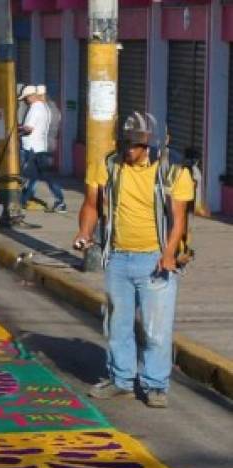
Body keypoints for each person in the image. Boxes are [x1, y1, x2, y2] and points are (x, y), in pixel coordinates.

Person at [74, 111, 194, 409]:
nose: (130, 150)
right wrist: (84, 232)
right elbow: (91, 204)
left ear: (153, 144)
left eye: (138, 145)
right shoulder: (107, 164)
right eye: (126, 143)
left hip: (155, 259)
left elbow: (179, 221)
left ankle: (155, 385)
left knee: (156, 329)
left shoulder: (174, 170)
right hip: (117, 257)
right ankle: (121, 380)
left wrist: (168, 255)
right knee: (116, 324)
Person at [19, 84, 65, 213]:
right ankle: (25, 199)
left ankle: (23, 199)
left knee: (29, 175)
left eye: (25, 98)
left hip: (32, 147)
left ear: (31, 96)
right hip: (41, 146)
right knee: (37, 176)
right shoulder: (46, 108)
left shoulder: (35, 108)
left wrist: (18, 129)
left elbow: (29, 128)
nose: (25, 101)